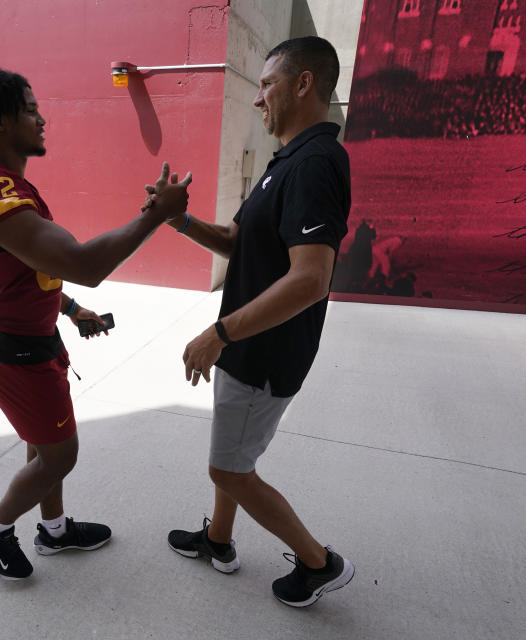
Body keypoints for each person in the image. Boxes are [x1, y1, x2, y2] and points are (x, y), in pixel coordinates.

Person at [0, 68, 191, 580]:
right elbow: (85, 265)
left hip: (25, 339)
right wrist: (156, 214)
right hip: (14, 350)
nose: (42, 118)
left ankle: (55, 531)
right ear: (1, 122)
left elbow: (26, 269)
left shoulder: (6, 187)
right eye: (30, 109)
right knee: (59, 457)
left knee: (43, 444)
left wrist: (69, 310)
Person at [153, 37, 355, 607]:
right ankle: (219, 541)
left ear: (303, 83)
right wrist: (179, 219)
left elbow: (310, 279)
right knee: (234, 457)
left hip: (261, 352)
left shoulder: (316, 162)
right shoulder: (287, 159)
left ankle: (318, 564)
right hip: (246, 345)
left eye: (266, 84)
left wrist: (218, 334)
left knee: (230, 470)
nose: (257, 98)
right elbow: (237, 242)